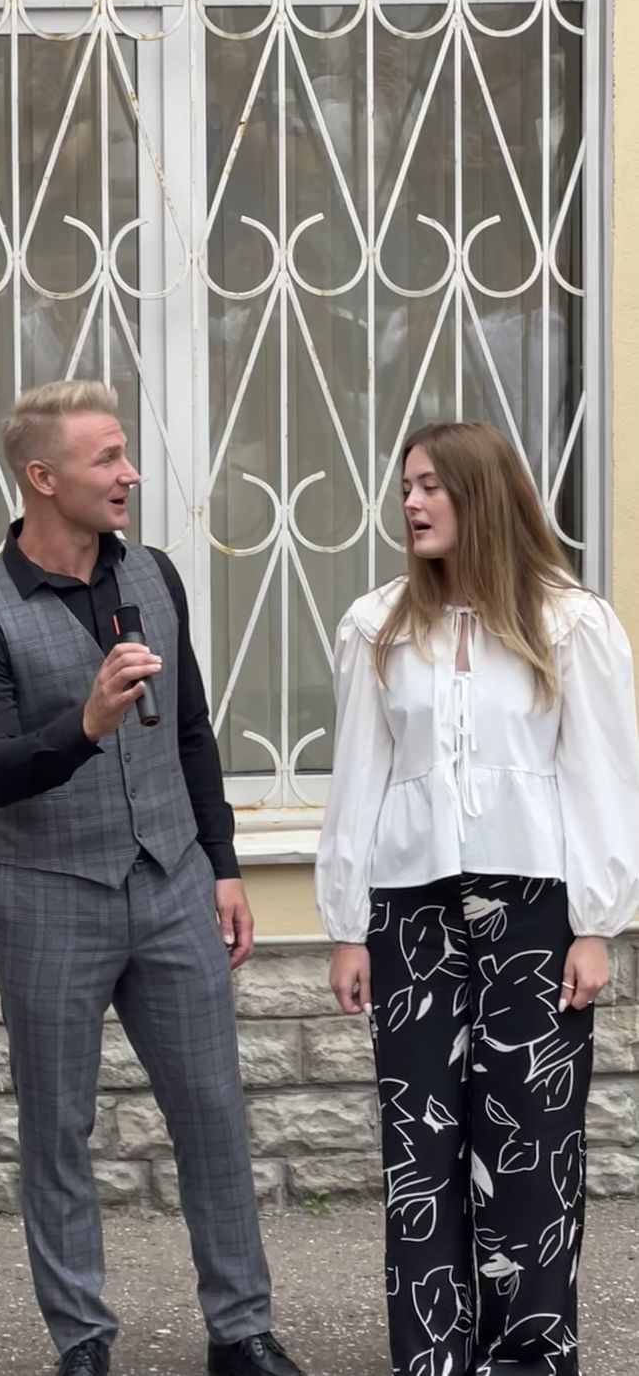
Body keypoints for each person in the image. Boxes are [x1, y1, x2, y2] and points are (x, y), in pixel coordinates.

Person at [0, 380, 304, 1376]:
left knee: (213, 1110)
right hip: (48, 893)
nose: (130, 473)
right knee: (58, 1128)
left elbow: (190, 729)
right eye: (106, 458)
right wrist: (88, 721)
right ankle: (83, 1341)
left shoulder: (155, 572)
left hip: (173, 879)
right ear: (41, 475)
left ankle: (241, 1330)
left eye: (125, 454)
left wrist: (223, 864)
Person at [315, 421, 639, 1376]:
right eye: (406, 485)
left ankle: (529, 1356)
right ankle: (433, 1357)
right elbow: (358, 778)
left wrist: (596, 923)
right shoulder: (377, 625)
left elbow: (602, 778)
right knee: (420, 1147)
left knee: (532, 1141)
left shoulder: (570, 622)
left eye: (431, 485)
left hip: (536, 907)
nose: (411, 502)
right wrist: (347, 925)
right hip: (410, 910)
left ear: (482, 494)